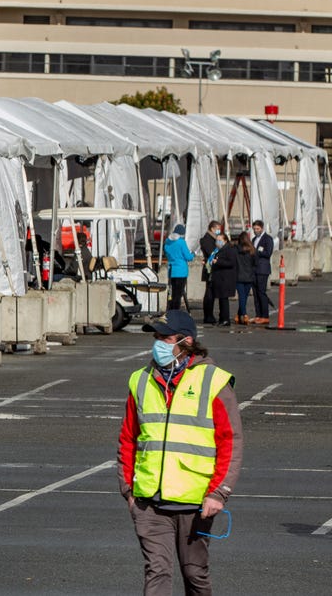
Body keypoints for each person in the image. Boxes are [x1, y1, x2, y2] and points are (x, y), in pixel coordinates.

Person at [118, 310, 243, 596]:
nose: (158, 343)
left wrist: (218, 492)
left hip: (195, 503)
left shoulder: (214, 381)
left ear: (186, 342)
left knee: (195, 574)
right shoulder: (140, 380)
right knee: (157, 571)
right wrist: (128, 490)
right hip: (149, 503)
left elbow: (230, 442)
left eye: (165, 337)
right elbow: (128, 438)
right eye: (156, 337)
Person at [163, 224, 194, 311]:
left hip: (171, 270)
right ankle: (176, 311)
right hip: (181, 270)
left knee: (171, 293)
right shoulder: (181, 242)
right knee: (178, 294)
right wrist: (193, 254)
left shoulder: (167, 242)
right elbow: (188, 257)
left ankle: (170, 310)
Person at [208, 233, 236, 327]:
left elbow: (231, 263)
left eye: (220, 240)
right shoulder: (218, 250)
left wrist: (218, 262)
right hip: (219, 278)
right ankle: (221, 318)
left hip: (225, 278)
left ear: (225, 240)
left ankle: (225, 319)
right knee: (221, 299)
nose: (217, 242)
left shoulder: (229, 249)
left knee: (224, 299)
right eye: (217, 240)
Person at [198, 221, 223, 324]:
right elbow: (211, 252)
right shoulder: (207, 239)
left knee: (211, 292)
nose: (219, 230)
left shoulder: (214, 238)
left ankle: (210, 315)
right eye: (218, 228)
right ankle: (208, 315)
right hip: (210, 268)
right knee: (209, 292)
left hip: (213, 268)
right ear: (212, 228)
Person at [250, 220, 274, 325]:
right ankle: (258, 315)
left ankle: (265, 316)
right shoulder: (254, 239)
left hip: (262, 270)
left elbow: (268, 253)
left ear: (262, 228)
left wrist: (257, 251)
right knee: (255, 293)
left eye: (257, 229)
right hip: (254, 269)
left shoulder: (267, 239)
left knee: (261, 292)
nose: (256, 231)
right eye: (254, 229)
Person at [233, 231, 257, 326]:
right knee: (244, 297)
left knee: (241, 296)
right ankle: (241, 314)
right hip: (249, 276)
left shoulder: (235, 250)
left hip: (238, 276)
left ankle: (243, 314)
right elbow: (255, 263)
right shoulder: (252, 250)